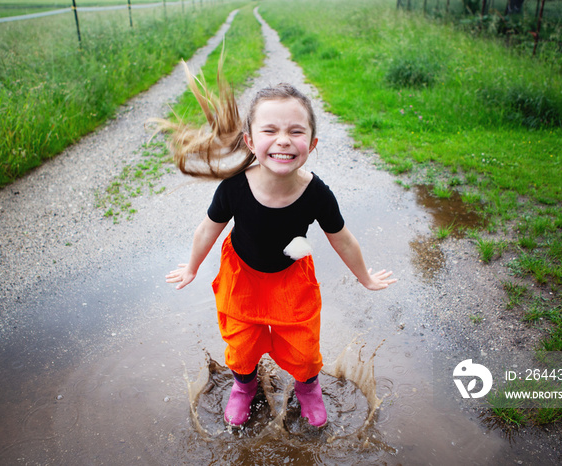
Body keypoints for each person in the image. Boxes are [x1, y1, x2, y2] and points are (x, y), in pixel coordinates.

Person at [163, 62, 397, 428]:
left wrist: (365, 276)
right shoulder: (234, 188)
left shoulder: (316, 193)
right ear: (251, 141)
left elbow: (343, 239)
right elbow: (207, 230)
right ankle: (244, 385)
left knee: (304, 348)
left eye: (295, 131)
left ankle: (307, 388)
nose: (284, 139)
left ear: (312, 144)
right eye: (270, 130)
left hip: (291, 279)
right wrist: (192, 266)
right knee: (240, 346)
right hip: (242, 276)